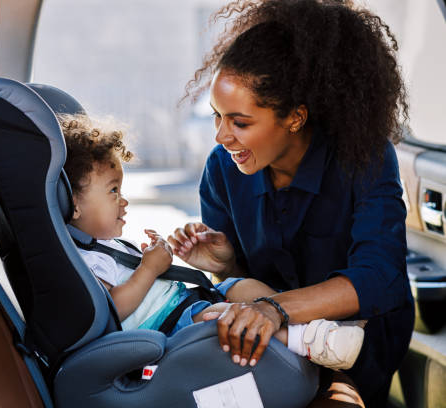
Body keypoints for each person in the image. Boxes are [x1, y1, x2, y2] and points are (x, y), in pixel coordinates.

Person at [167, 0, 414, 407]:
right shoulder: (222, 170)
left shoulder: (364, 157)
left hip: (354, 348)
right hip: (271, 346)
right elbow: (243, 289)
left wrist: (274, 309)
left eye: (239, 122)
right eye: (216, 116)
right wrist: (227, 265)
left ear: (295, 118)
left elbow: (379, 277)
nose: (221, 137)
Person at [60, 113, 365, 370]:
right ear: (73, 204)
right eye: (113, 191)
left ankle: (314, 325)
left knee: (240, 286)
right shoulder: (81, 260)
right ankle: (310, 343)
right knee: (225, 317)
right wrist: (149, 270)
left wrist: (152, 259)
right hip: (166, 328)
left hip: (184, 303)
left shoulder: (105, 246)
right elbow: (112, 309)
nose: (123, 202)